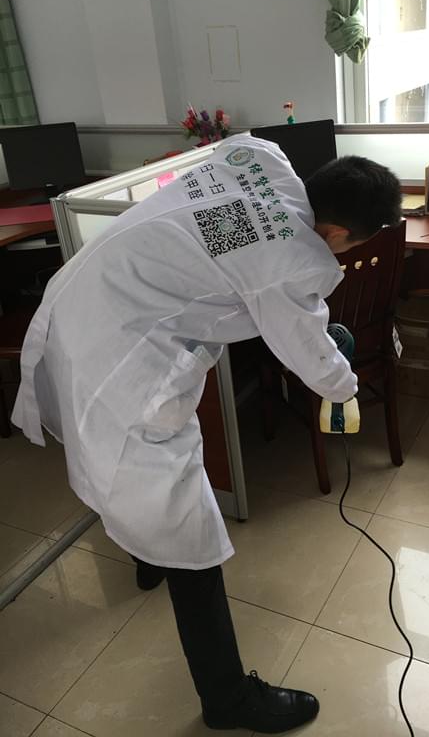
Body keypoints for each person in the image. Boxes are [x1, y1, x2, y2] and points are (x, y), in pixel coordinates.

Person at [12, 135, 402, 733]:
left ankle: (147, 555)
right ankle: (227, 698)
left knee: (127, 480)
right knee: (187, 528)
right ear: (338, 234)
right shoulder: (295, 259)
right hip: (123, 357)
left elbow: (234, 200)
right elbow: (311, 356)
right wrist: (345, 385)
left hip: (83, 301)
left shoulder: (262, 161)